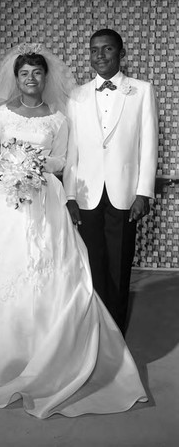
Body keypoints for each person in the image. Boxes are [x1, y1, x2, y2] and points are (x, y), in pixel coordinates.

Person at [0, 43, 147, 419]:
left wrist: (36, 165)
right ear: (16, 78)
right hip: (3, 194)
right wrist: (9, 162)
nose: (30, 79)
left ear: (45, 77)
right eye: (24, 73)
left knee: (47, 264)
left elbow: (61, 157)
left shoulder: (58, 118)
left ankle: (42, 348)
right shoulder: (1, 114)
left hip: (43, 195)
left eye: (36, 73)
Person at [63, 29, 159, 335]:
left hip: (125, 193)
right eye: (94, 50)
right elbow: (71, 149)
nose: (100, 56)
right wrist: (69, 195)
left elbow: (149, 145)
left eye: (107, 49)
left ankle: (115, 332)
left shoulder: (142, 91)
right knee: (92, 264)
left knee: (119, 264)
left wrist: (143, 192)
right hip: (86, 193)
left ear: (121, 53)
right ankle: (95, 328)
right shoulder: (76, 95)